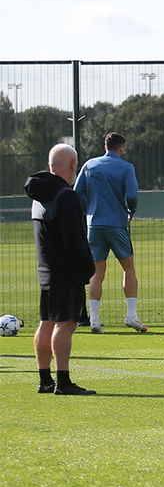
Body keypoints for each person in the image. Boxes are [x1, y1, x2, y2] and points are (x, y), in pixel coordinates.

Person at [26, 144, 97, 394]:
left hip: (47, 271)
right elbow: (74, 239)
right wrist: (88, 266)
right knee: (65, 324)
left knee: (46, 322)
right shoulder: (66, 195)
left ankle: (45, 379)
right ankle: (63, 381)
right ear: (73, 165)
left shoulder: (39, 196)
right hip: (67, 272)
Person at [73, 131, 145, 333]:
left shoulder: (89, 165)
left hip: (94, 225)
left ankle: (95, 320)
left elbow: (77, 193)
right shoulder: (126, 167)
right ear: (121, 148)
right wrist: (131, 209)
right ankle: (131, 315)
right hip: (116, 224)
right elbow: (132, 194)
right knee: (128, 268)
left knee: (97, 273)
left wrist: (88, 210)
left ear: (105, 146)